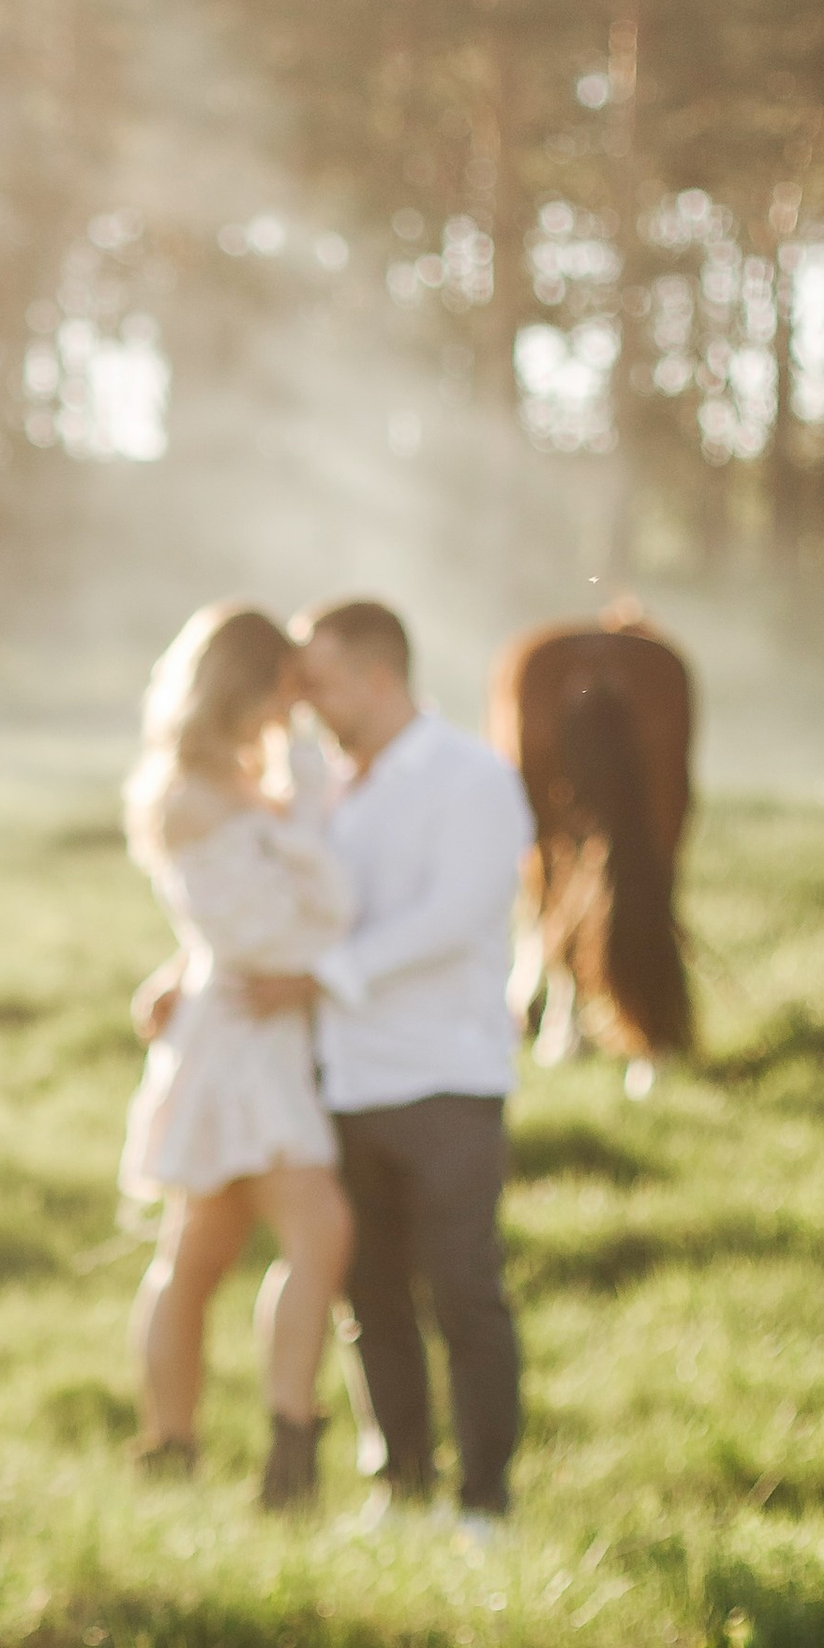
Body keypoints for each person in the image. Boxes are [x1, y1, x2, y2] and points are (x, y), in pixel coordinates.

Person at [239, 600, 536, 1529]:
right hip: (345, 1077)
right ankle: (399, 1485)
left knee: (462, 1291)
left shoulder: (472, 778)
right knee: (367, 1296)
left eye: (319, 683)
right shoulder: (326, 787)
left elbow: (457, 915)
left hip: (445, 1077)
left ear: (379, 676)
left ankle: (484, 1502)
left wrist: (321, 977)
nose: (307, 703)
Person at [119, 603, 356, 1508]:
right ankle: (257, 1451)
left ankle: (206, 1448)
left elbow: (234, 921)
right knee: (295, 1237)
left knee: (203, 1252)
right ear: (246, 689)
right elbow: (258, 929)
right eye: (284, 694)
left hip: (255, 1027)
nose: (292, 714)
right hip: (242, 1039)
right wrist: (323, 933)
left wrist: (187, 961)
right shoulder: (189, 795)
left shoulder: (238, 783)